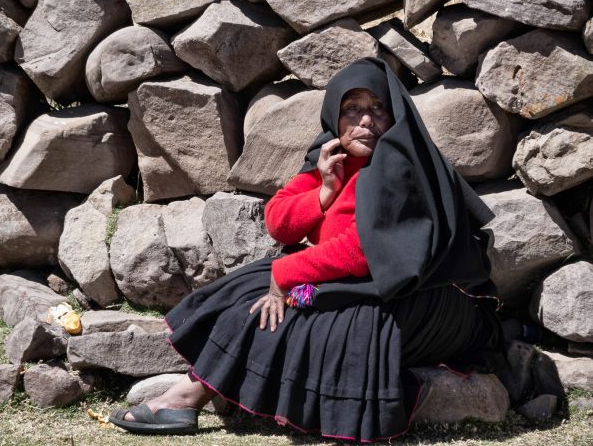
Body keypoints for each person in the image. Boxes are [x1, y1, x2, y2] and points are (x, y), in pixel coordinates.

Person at [109, 58, 506, 441]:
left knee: (299, 308)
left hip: (432, 300)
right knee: (256, 289)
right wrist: (324, 191)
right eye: (353, 109)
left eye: (378, 108)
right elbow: (278, 221)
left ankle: (186, 397)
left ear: (394, 116)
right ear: (335, 115)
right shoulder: (332, 162)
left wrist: (285, 276)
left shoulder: (401, 165)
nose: (366, 120)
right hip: (368, 287)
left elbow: (363, 251)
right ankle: (191, 396)